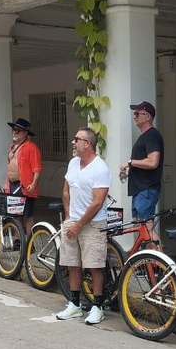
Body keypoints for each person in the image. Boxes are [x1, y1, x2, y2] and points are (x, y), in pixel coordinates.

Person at [56, 128, 112, 325]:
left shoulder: (100, 168)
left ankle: (97, 307)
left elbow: (97, 202)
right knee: (73, 264)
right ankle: (74, 304)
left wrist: (79, 224)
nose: (73, 142)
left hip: (93, 224)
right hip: (73, 221)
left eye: (77, 140)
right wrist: (69, 217)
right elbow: (66, 190)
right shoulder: (73, 163)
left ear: (87, 143)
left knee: (95, 266)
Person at [119, 101, 164, 249]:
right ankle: (154, 264)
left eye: (137, 113)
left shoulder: (151, 135)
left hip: (146, 189)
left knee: (147, 227)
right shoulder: (145, 136)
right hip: (140, 190)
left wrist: (130, 162)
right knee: (144, 228)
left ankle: (163, 264)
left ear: (147, 116)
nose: (134, 117)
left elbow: (153, 162)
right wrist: (128, 173)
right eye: (134, 113)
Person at [5, 118, 42, 234]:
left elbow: (37, 168)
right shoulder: (12, 148)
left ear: (25, 133)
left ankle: (30, 242)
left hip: (25, 185)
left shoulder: (31, 147)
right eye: (14, 130)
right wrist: (6, 183)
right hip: (12, 184)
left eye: (18, 130)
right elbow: (9, 166)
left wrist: (34, 183)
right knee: (16, 214)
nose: (14, 132)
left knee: (27, 215)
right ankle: (18, 240)